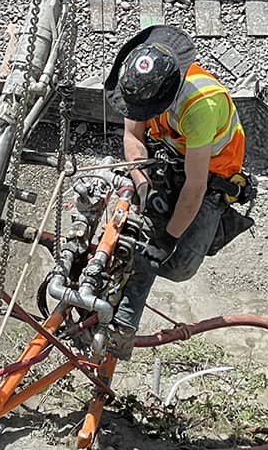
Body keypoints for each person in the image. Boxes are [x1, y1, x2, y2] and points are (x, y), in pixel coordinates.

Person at [103, 25, 252, 357]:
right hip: (169, 159)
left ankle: (123, 323)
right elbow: (133, 138)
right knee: (128, 236)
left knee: (177, 264)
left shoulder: (200, 105)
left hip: (210, 176)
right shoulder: (141, 86)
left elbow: (196, 185)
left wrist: (164, 241)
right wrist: (143, 185)